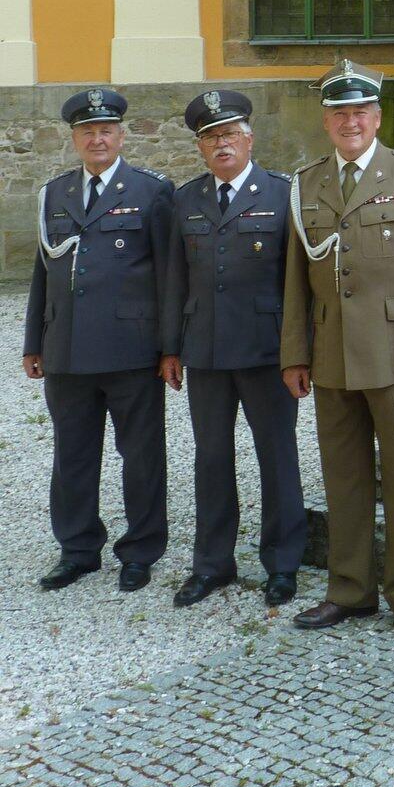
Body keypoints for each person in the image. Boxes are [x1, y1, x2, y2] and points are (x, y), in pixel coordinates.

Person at [280, 60, 394, 644]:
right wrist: (295, 354)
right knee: (344, 477)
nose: (349, 122)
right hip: (331, 353)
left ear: (377, 118)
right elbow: (295, 279)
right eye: (339, 113)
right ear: (325, 121)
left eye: (359, 112)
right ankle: (349, 589)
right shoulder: (306, 183)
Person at [23, 88, 173, 592]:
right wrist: (33, 342)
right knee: (73, 456)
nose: (97, 139)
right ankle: (78, 549)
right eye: (87, 132)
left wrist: (169, 347)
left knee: (142, 456)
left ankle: (141, 550)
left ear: (121, 136)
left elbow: (169, 275)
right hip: (66, 350)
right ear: (74, 139)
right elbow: (43, 272)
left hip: (132, 350)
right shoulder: (55, 193)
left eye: (106, 130)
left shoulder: (152, 191)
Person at [161, 90, 306, 610]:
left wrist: (299, 353)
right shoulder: (186, 199)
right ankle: (212, 564)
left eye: (229, 134)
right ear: (200, 148)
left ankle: (282, 564)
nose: (221, 144)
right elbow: (175, 280)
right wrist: (170, 349)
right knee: (211, 458)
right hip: (205, 352)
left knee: (277, 456)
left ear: (249, 139)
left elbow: (299, 284)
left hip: (267, 351)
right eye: (210, 137)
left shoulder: (282, 193)